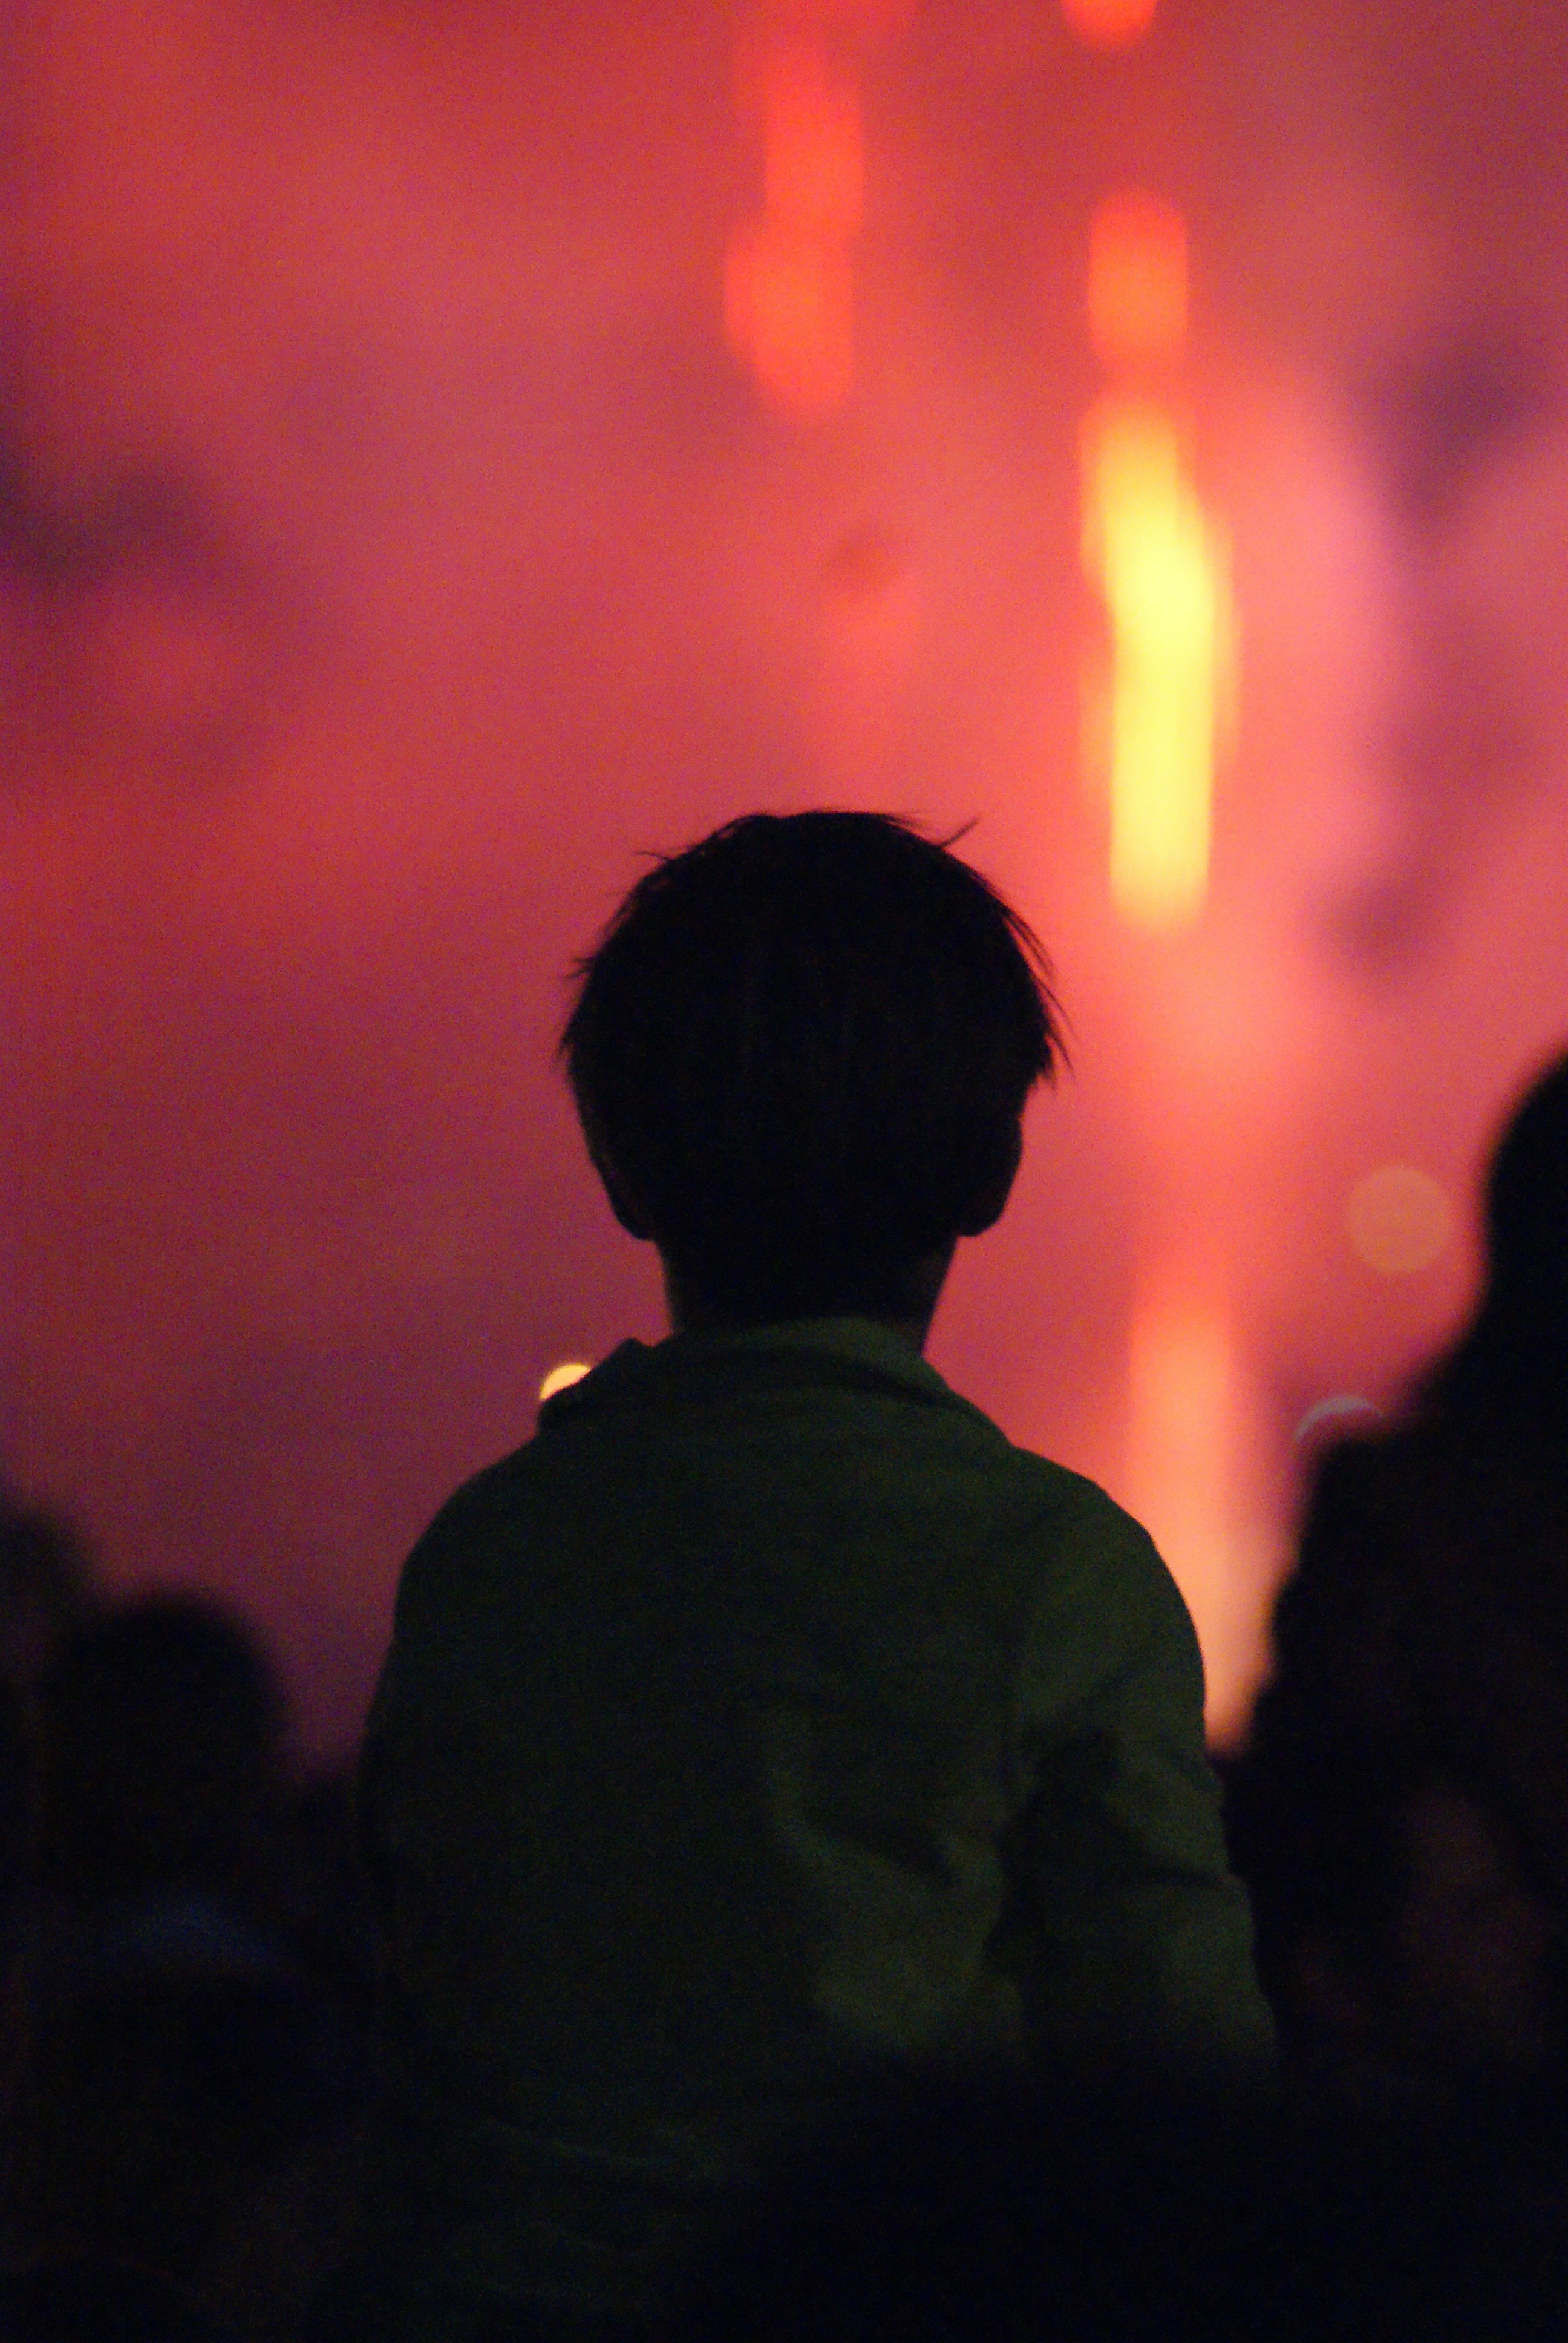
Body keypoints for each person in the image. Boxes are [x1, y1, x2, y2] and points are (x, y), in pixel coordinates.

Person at [338, 813, 1273, 2343]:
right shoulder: (1056, 1575)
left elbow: (419, 1970)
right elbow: (1182, 2073)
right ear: (991, 1169)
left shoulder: (492, 1551)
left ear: (621, 1166)